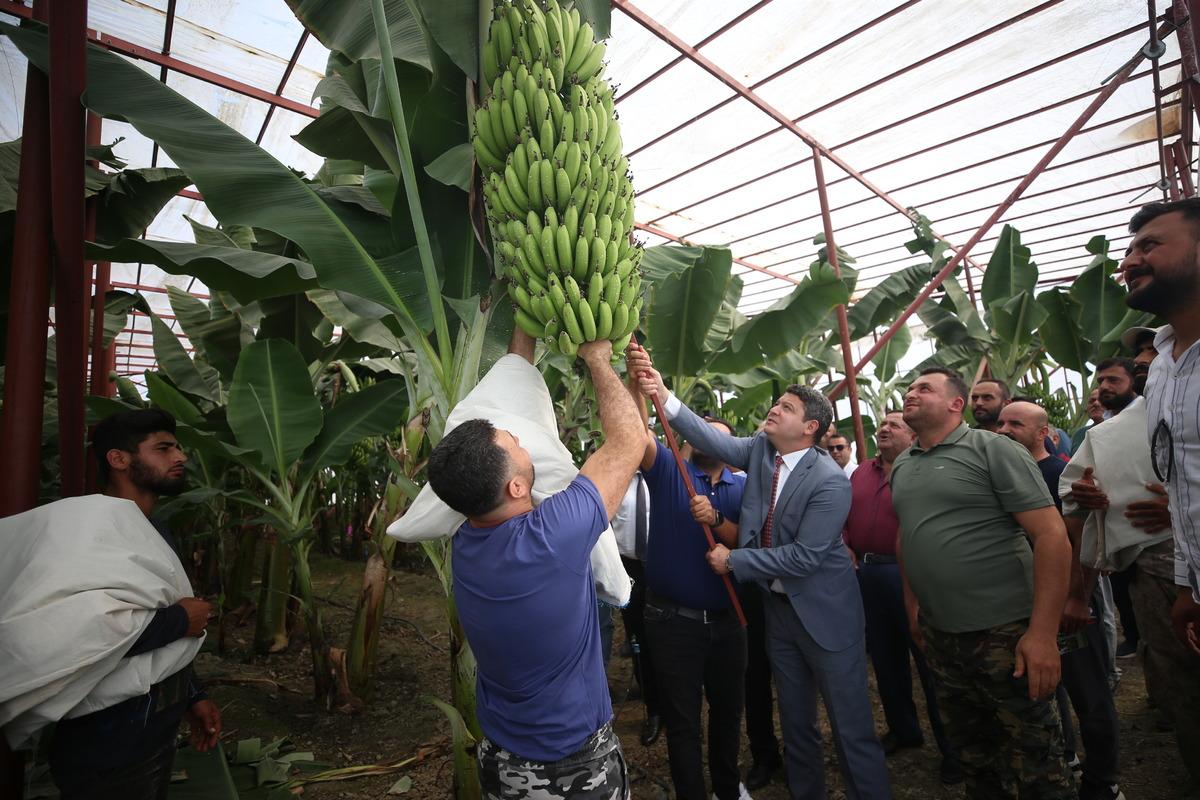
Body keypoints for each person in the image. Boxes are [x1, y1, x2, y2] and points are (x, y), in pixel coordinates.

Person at [629, 344, 891, 800]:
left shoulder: (828, 480)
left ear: (809, 428)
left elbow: (804, 557)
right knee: (796, 723)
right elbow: (712, 441)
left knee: (851, 728)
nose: (773, 409)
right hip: (780, 614)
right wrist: (663, 394)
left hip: (826, 616)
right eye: (776, 403)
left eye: (785, 408)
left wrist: (735, 561)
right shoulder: (761, 452)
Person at [425, 335, 643, 799]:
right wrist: (599, 360)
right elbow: (629, 442)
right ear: (520, 488)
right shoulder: (551, 538)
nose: (521, 436)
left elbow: (512, 399)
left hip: (502, 761)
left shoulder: (466, 540)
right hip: (573, 772)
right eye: (513, 441)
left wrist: (522, 337)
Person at [891, 367, 1075, 799]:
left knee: (1036, 763)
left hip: (1004, 633)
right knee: (975, 757)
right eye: (910, 387)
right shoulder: (903, 463)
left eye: (924, 388)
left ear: (957, 403)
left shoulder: (992, 449)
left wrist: (1043, 635)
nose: (910, 393)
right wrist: (913, 606)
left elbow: (1051, 536)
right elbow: (907, 538)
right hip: (943, 635)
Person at [48, 409, 220, 799]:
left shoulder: (155, 528)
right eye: (163, 448)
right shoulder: (90, 531)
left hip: (152, 730)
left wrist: (193, 696)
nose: (180, 457)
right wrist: (179, 620)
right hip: (105, 740)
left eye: (177, 447)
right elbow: (77, 631)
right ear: (118, 459)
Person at [999, 401, 1123, 800]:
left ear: (1043, 433)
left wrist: (1076, 599)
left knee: (1089, 695)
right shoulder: (1003, 475)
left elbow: (1081, 540)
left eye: (1015, 424)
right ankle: (1063, 760)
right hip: (1027, 604)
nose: (1003, 429)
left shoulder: (1060, 475)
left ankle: (1102, 781)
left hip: (1070, 606)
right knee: (1043, 692)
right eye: (1001, 423)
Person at [1120, 197, 1200, 780]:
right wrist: (1186, 586)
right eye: (1130, 248)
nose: (1130, 259)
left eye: (1150, 245)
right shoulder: (1166, 363)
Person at [632, 400, 748, 800]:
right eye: (700, 430)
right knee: (682, 722)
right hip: (673, 623)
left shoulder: (745, 487)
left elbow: (746, 545)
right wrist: (639, 387)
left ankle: (728, 791)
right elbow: (638, 434)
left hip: (728, 620)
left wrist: (716, 520)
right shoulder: (670, 473)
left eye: (718, 434)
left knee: (728, 715)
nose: (707, 437)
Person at [843, 411, 959, 784]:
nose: (884, 429)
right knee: (885, 657)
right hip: (868, 574)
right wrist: (845, 544)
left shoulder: (925, 470)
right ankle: (904, 729)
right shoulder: (862, 471)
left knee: (929, 659)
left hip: (912, 573)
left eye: (894, 425)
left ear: (913, 435)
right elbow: (844, 517)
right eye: (882, 425)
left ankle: (952, 746)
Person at [1071, 390, 1105, 455]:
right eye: (1091, 401)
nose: (1096, 404)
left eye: (1102, 400)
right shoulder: (1079, 434)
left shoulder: (1119, 432)